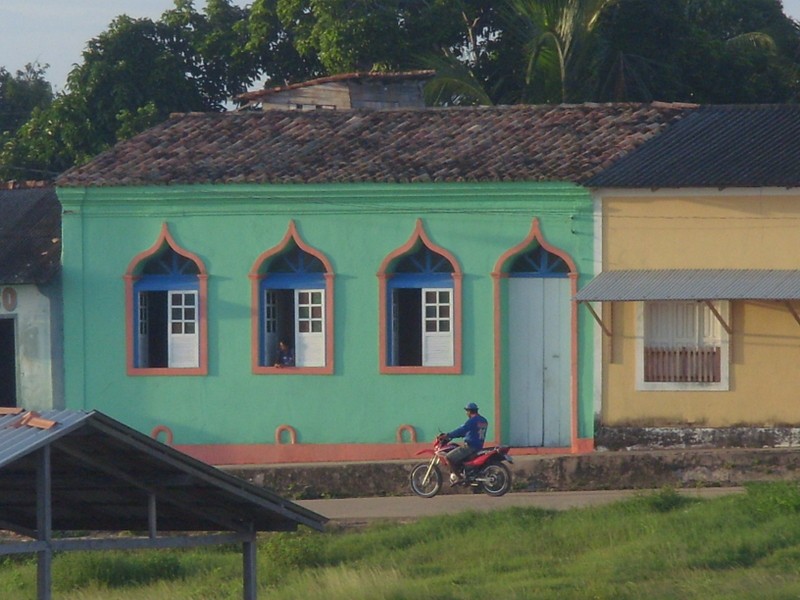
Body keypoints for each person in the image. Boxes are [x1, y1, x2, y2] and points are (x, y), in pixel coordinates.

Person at [443, 402, 488, 484]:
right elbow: (470, 432)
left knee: (448, 458)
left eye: (467, 411)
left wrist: (449, 435)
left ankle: (459, 478)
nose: (466, 413)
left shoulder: (471, 421)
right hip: (479, 446)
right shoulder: (483, 420)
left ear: (469, 411)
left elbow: (462, 430)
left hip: (470, 446)